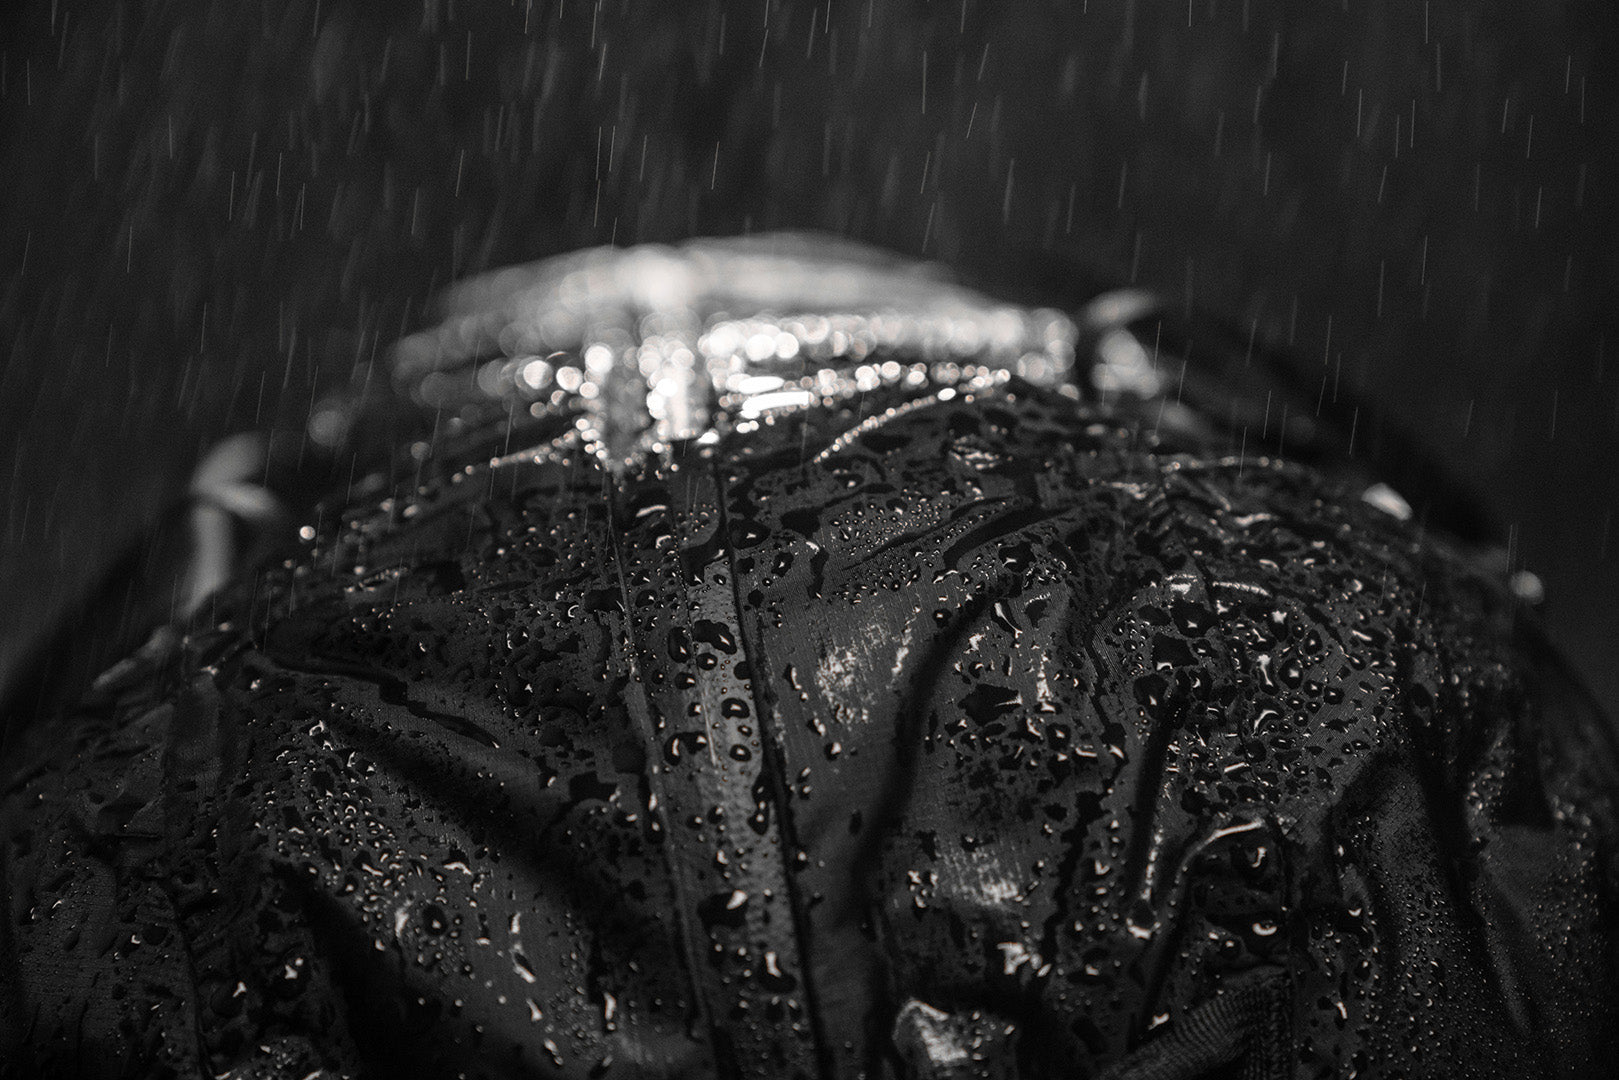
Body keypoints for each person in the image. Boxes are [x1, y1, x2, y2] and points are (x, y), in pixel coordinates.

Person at [1, 234, 1614, 1079]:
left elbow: (108, 697)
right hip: (1164, 646)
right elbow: (1436, 565)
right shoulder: (1112, 390)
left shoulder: (359, 445)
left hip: (322, 739)